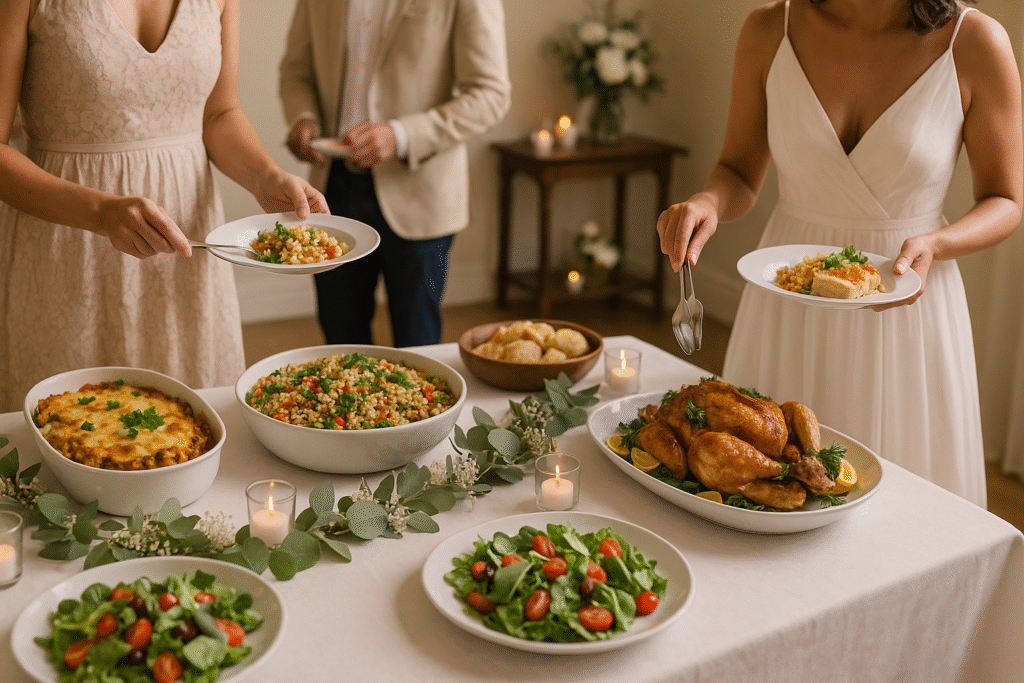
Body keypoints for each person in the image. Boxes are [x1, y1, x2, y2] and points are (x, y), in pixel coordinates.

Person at [656, 0, 1022, 506]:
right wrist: (707, 203)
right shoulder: (769, 30)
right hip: (787, 296)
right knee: (769, 488)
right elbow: (737, 171)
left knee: (906, 507)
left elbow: (1005, 200)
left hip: (906, 300)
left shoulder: (976, 42)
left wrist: (937, 243)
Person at [0, 0, 328, 414]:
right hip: (67, 249)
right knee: (67, 428)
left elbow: (219, 113)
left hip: (185, 250)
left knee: (194, 424)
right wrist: (99, 213)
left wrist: (266, 177)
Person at [279, 0, 511, 347]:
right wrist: (304, 116)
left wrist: (401, 135)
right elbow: (296, 71)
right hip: (333, 187)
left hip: (421, 190)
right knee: (340, 339)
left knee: (418, 343)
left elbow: (490, 94)